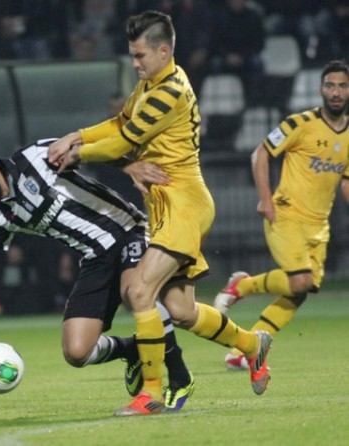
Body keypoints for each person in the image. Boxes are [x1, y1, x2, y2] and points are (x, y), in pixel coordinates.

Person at [48, 10, 272, 416]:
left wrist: (77, 153)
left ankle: (150, 392)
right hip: (169, 206)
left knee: (140, 292)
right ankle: (252, 344)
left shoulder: (170, 91)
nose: (134, 63)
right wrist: (75, 136)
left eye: (140, 55)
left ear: (163, 51)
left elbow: (124, 142)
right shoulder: (151, 84)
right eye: (132, 55)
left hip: (184, 204)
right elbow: (120, 122)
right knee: (182, 311)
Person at [0, 139, 196, 411]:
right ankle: (133, 350)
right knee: (77, 352)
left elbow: (88, 149)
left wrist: (130, 166)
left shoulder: (34, 158)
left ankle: (179, 377)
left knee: (135, 293)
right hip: (95, 260)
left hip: (127, 231)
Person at [214, 60, 349, 369]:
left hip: (319, 225)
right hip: (286, 214)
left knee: (301, 291)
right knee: (300, 281)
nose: (336, 92)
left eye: (342, 86)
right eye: (330, 85)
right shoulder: (299, 123)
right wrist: (266, 199)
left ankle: (242, 352)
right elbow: (260, 154)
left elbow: (346, 183)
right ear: (321, 89)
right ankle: (242, 286)